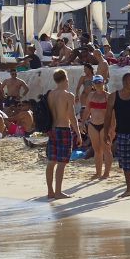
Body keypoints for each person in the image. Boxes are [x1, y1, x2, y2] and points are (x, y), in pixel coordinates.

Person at [45, 69, 76, 199]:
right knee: (62, 163)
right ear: (65, 79)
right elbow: (71, 116)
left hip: (52, 129)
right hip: (63, 129)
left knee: (51, 161)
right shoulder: (68, 95)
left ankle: (50, 191)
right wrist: (78, 133)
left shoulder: (50, 94)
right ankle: (58, 192)